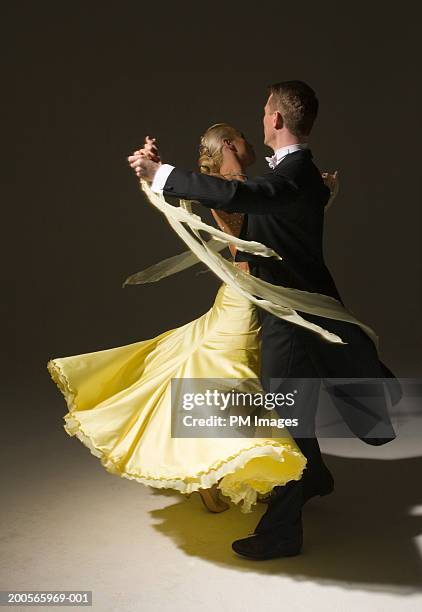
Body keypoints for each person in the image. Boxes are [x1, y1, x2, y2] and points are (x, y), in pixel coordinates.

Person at [128, 80, 398, 560]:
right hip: (284, 309)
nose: (260, 120)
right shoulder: (295, 176)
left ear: (275, 119)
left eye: (263, 112)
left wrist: (162, 172)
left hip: (291, 315)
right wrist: (159, 175)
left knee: (284, 412)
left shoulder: (293, 174)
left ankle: (282, 532)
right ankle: (313, 475)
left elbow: (245, 197)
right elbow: (248, 203)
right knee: (291, 405)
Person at [47, 121, 333, 519]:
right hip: (248, 297)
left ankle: (287, 473)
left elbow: (271, 218)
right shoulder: (232, 184)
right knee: (231, 385)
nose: (251, 141)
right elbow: (258, 228)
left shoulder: (231, 182)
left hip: (248, 295)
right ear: (231, 145)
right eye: (242, 138)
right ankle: (215, 475)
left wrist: (159, 172)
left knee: (244, 386)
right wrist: (159, 175)